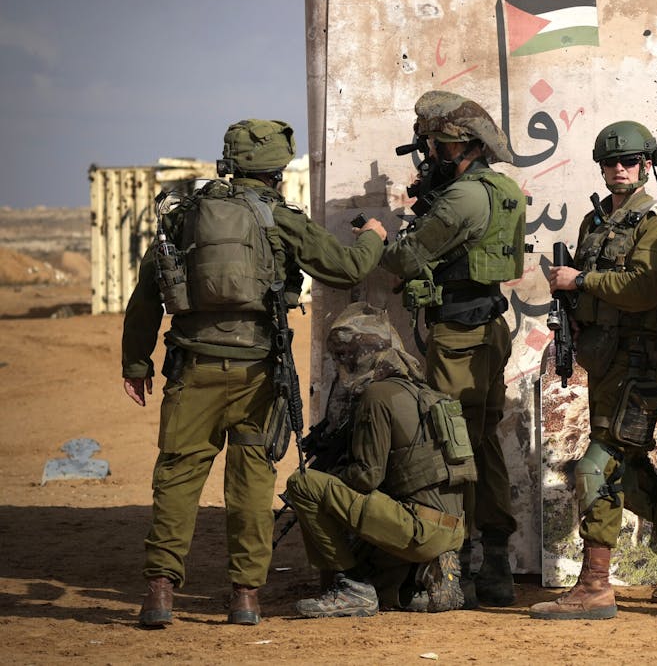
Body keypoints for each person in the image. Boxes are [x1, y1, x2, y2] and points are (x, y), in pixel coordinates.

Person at [122, 119, 386, 627]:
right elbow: (346, 268)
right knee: (251, 483)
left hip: (191, 370)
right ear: (276, 169)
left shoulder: (186, 216)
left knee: (176, 479)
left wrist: (136, 363)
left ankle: (159, 593)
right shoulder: (281, 218)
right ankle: (245, 597)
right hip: (259, 376)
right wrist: (373, 237)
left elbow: (146, 296)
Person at [529, 121, 657, 620]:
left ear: (646, 165)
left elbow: (643, 290)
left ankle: (594, 585)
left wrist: (581, 281)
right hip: (605, 360)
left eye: (629, 161)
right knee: (628, 469)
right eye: (610, 162)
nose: (619, 168)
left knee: (597, 466)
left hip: (639, 361)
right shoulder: (595, 222)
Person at [379, 91, 526, 608]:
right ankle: (497, 567)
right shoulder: (498, 188)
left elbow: (403, 258)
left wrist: (376, 236)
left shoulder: (463, 197)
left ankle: (450, 569)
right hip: (486, 328)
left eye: (439, 146)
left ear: (466, 147)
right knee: (482, 443)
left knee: (449, 446)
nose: (432, 154)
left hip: (459, 338)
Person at [287, 303, 471, 617]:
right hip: (452, 530)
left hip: (419, 529)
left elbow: (367, 477)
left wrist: (333, 475)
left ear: (361, 356)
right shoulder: (425, 394)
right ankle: (423, 575)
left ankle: (351, 590)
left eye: (346, 357)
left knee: (303, 484)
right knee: (379, 582)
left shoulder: (377, 395)